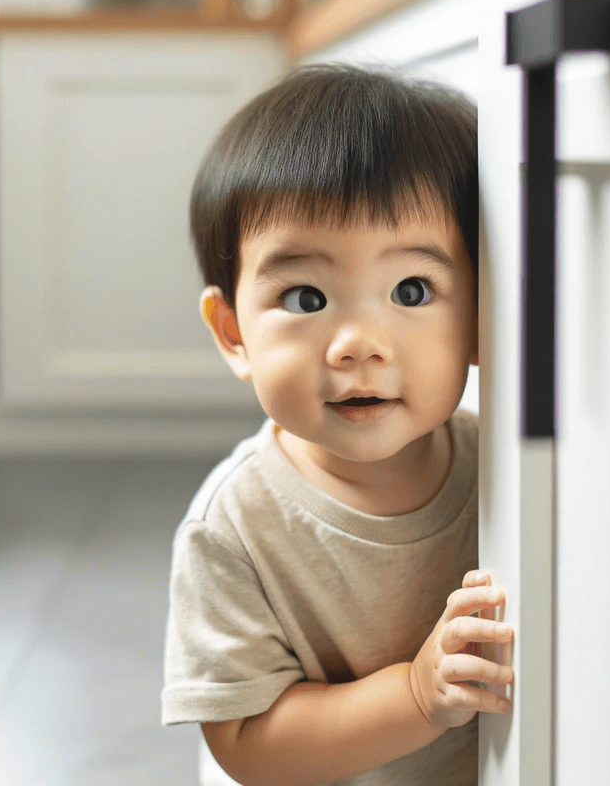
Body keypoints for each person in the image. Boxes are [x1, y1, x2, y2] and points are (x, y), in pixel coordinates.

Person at [162, 63, 515, 786]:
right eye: (306, 295)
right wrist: (417, 696)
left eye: (411, 290)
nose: (358, 342)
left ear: (481, 316)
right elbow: (246, 743)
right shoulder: (234, 527)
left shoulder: (510, 467)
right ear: (233, 334)